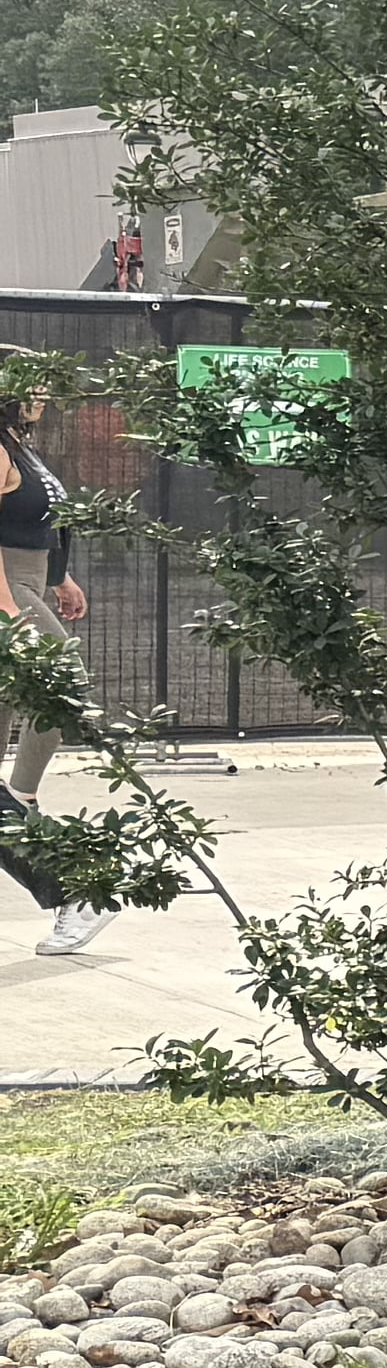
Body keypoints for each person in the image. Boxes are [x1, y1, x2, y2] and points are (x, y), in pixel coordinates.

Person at [0, 396, 102, 956]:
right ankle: (23, 811)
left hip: (21, 587)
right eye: (29, 387)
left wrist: (57, 577)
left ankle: (24, 807)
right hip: (12, 591)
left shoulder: (19, 446)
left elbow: (39, 519)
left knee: (59, 686)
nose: (42, 398)